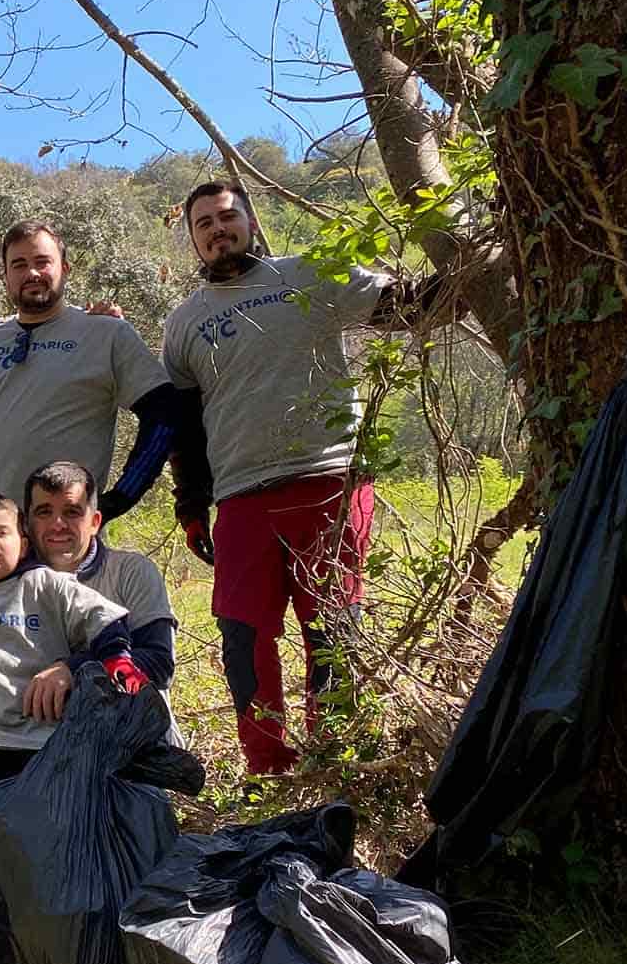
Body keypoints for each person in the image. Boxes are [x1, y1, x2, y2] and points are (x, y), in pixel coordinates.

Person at [164, 180, 456, 774]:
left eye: (228, 217)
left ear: (250, 221)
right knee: (242, 636)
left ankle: (337, 756)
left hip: (329, 480)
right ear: (193, 241)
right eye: (205, 224)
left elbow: (411, 306)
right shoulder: (185, 324)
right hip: (241, 497)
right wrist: (191, 505)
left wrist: (475, 259)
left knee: (333, 626)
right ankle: (268, 765)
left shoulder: (313, 276)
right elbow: (186, 429)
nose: (219, 230)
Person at [0, 221, 183, 565]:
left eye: (42, 262)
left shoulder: (106, 335)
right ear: (4, 276)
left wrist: (120, 496)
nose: (31, 272)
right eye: (19, 265)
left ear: (65, 268)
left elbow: (164, 415)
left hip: (63, 541)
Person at [0, 492, 147, 789]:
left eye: (2, 532)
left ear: (22, 545)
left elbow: (107, 621)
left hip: (39, 739)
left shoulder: (47, 585)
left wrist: (109, 659)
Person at [23, 460, 177, 690]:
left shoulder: (132, 571)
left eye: (72, 512)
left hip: (133, 722)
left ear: (95, 522)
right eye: (44, 512)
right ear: (27, 523)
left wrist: (72, 669)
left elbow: (160, 664)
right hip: (39, 724)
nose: (57, 524)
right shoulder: (12, 584)